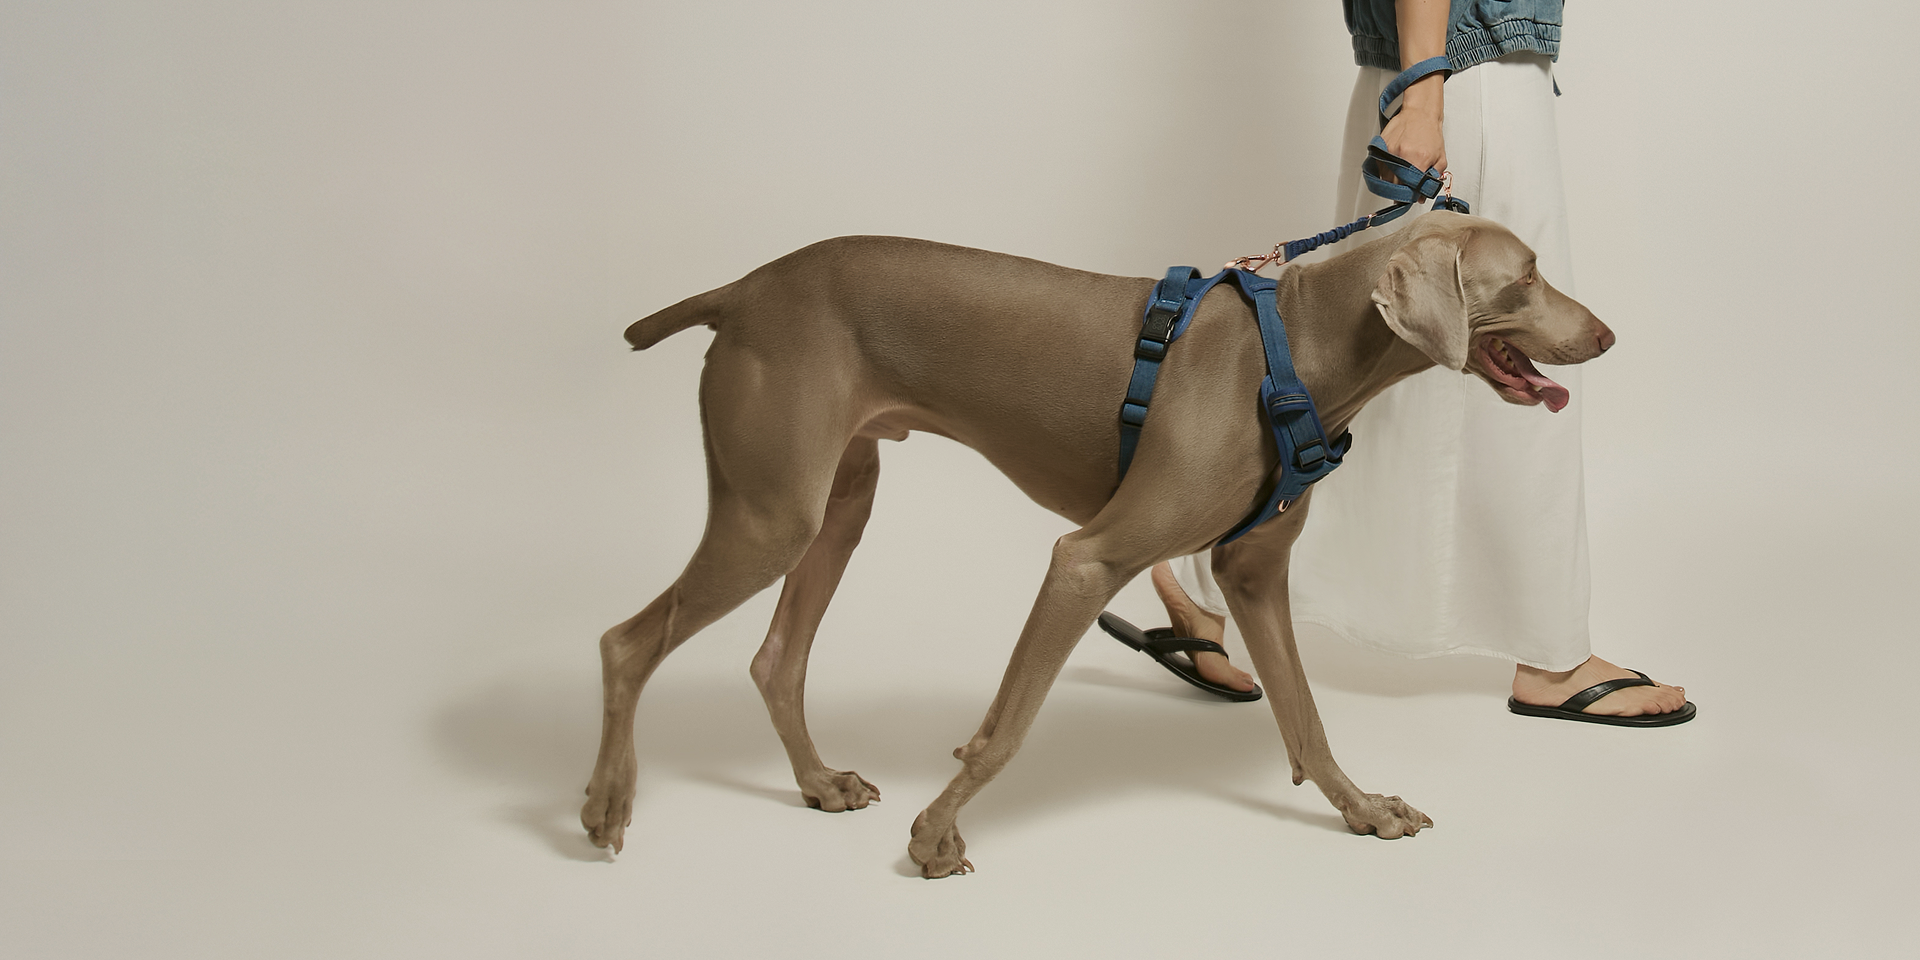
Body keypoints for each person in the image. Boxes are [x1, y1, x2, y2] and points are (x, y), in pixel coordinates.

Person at [1133, 0, 1692, 724]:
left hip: (1432, 76)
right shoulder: (1449, 88)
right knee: (1514, 354)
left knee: (1354, 369)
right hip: (1465, 80)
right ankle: (1555, 661)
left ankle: (1199, 584)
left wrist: (1418, 87)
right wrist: (1427, 95)